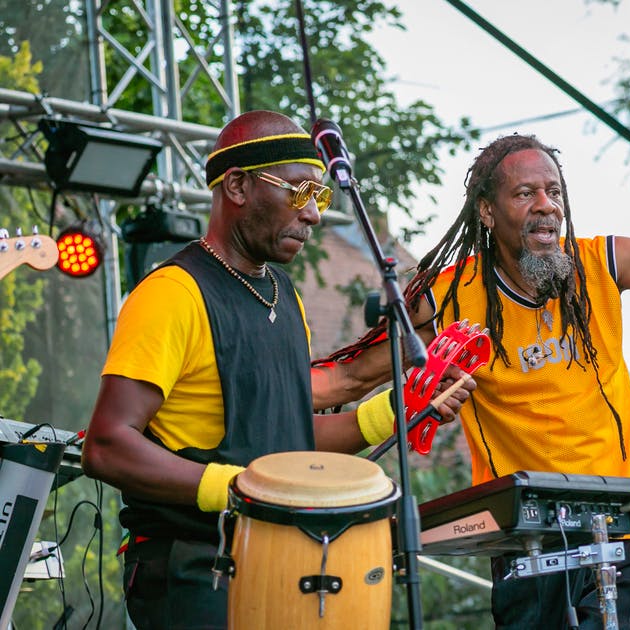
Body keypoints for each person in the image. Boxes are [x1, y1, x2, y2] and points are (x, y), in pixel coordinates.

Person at [311, 133, 630, 629]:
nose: (546, 205)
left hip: (625, 522)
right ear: (487, 211)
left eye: (554, 192)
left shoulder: (602, 263)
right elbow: (348, 378)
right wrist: (271, 388)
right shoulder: (449, 297)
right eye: (525, 193)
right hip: (524, 535)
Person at [80, 110, 473, 630]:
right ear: (238, 186)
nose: (312, 214)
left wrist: (400, 409)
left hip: (281, 560)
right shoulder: (171, 294)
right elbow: (107, 446)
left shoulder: (284, 296)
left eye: (321, 196)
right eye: (299, 191)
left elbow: (289, 439)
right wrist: (242, 488)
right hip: (196, 567)